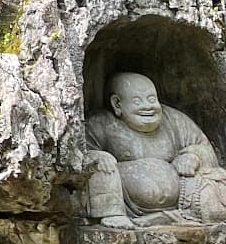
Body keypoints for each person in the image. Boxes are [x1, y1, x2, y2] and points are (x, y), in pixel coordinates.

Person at [85, 71, 226, 226]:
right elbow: (82, 157)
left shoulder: (175, 120)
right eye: (138, 101)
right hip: (127, 202)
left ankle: (172, 216)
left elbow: (206, 149)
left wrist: (193, 156)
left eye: (152, 99)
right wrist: (100, 156)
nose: (148, 106)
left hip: (182, 198)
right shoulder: (100, 124)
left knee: (217, 186)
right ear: (117, 104)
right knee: (101, 165)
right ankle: (112, 215)